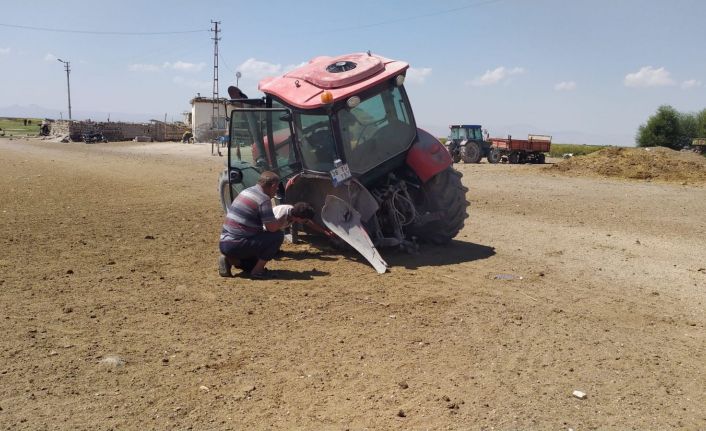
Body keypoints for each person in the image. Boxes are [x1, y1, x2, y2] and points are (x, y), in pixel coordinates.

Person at [218, 171, 288, 279]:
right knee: (277, 236)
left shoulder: (247, 191)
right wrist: (283, 220)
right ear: (273, 185)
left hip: (225, 242)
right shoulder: (263, 199)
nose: (276, 191)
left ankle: (230, 259)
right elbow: (272, 228)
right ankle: (258, 272)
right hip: (237, 243)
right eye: (276, 188)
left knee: (251, 264)